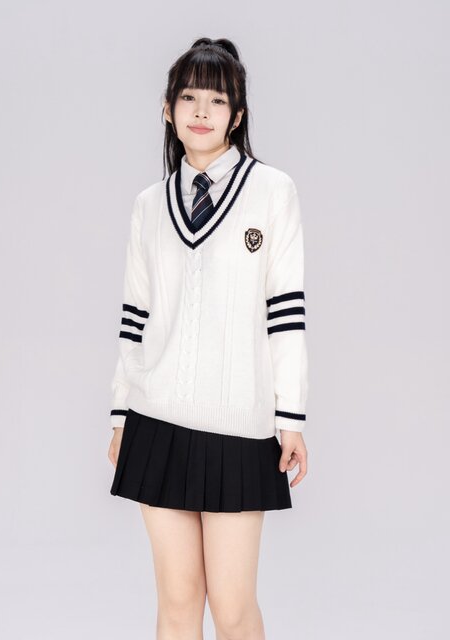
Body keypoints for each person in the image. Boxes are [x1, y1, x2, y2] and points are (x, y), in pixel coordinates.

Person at [107, 36, 309, 640]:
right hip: (156, 420)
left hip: (239, 424)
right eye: (189, 97)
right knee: (176, 602)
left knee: (233, 606)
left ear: (237, 115)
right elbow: (134, 318)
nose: (201, 111)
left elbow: (286, 312)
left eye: (217, 100)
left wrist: (291, 418)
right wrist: (120, 414)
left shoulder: (272, 192)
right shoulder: (149, 205)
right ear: (168, 108)